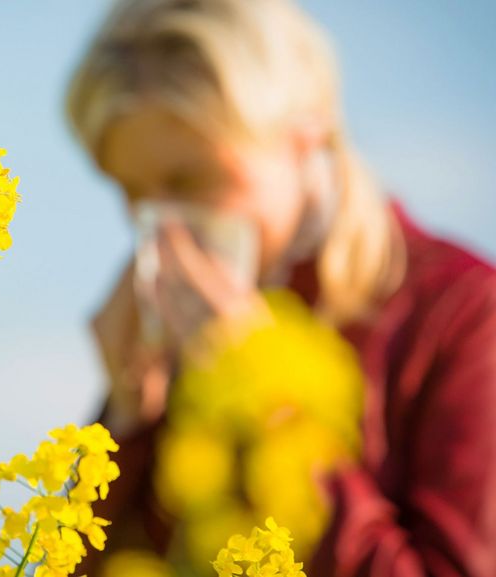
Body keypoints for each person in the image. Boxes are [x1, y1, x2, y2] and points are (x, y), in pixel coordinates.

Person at [65, 0, 496, 575]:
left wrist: (265, 403)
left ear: (306, 131)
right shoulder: (183, 328)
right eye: (132, 190)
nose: (164, 225)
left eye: (190, 178)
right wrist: (124, 420)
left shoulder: (464, 314)